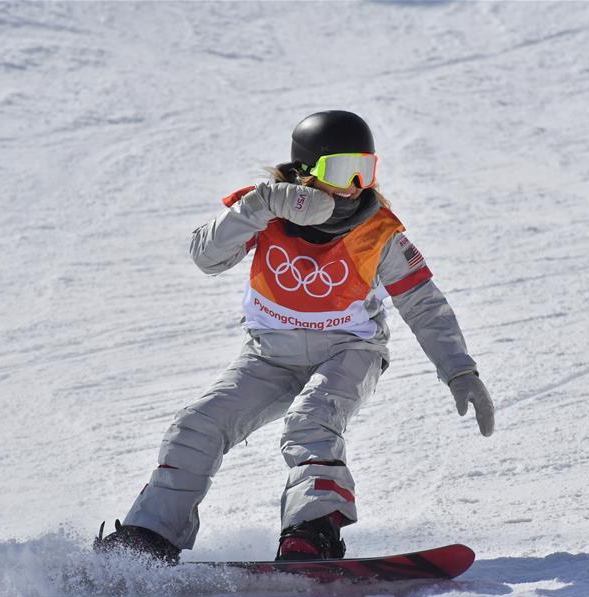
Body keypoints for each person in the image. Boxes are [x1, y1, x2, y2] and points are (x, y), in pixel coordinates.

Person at [94, 110, 494, 564]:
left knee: (311, 422)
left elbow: (423, 303)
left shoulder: (378, 231)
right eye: (342, 170)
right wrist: (260, 205)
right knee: (196, 426)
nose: (355, 185)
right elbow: (206, 257)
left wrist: (459, 370)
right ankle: (148, 539)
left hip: (349, 351)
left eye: (365, 170)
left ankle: (312, 532)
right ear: (306, 170)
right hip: (269, 355)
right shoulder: (266, 212)